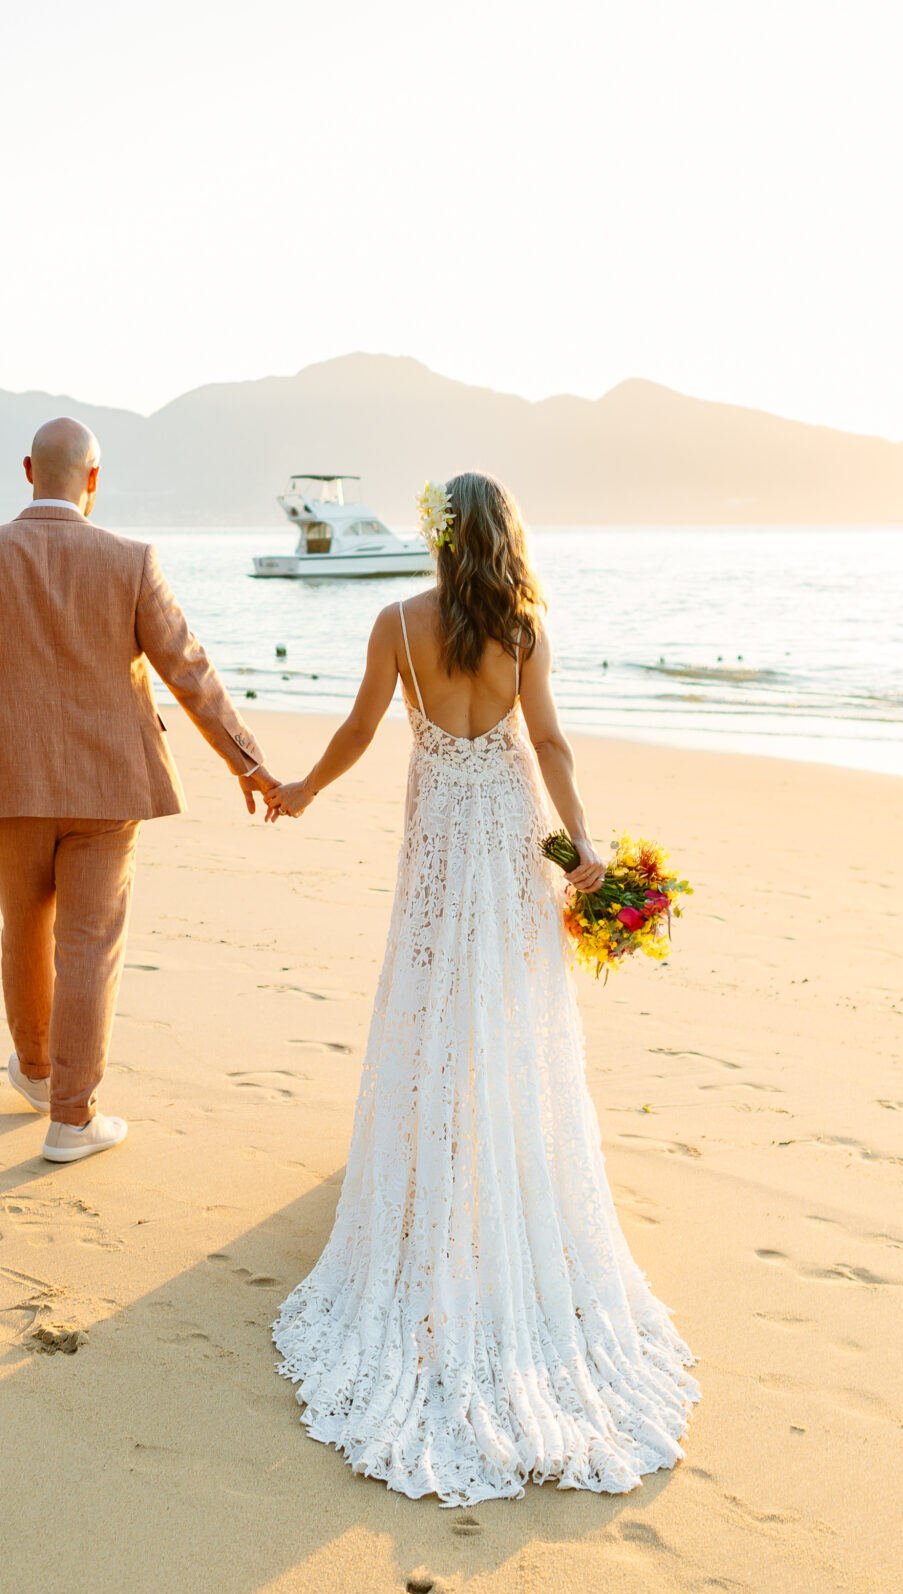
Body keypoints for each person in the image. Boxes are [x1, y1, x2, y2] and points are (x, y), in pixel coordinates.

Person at [265, 470, 698, 1505]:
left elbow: (359, 731)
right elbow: (547, 743)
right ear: (503, 536)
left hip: (438, 837)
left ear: (438, 535)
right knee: (506, 995)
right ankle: (495, 1143)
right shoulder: (524, 628)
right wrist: (581, 844)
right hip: (504, 829)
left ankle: (434, 1152)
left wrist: (301, 789)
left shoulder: (396, 623)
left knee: (431, 991)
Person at [0, 418, 278, 1162]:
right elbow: (188, 669)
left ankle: (37, 1071)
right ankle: (71, 1119)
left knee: (24, 926)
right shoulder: (131, 560)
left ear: (28, 470)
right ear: (94, 478)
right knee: (87, 947)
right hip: (110, 786)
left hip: (9, 783)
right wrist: (246, 762)